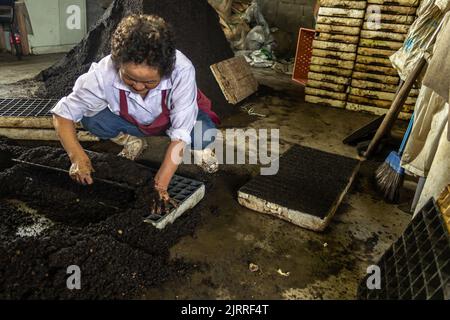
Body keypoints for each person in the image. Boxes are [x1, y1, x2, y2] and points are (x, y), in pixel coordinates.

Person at [51, 14, 220, 213]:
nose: (139, 87)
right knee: (93, 120)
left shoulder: (181, 70)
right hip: (136, 122)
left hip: (175, 121)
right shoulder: (103, 73)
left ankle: (200, 150)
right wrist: (78, 158)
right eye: (130, 78)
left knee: (202, 135)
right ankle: (132, 140)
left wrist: (160, 185)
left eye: (149, 82)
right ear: (118, 62)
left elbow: (180, 134)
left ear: (165, 70)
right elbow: (63, 114)